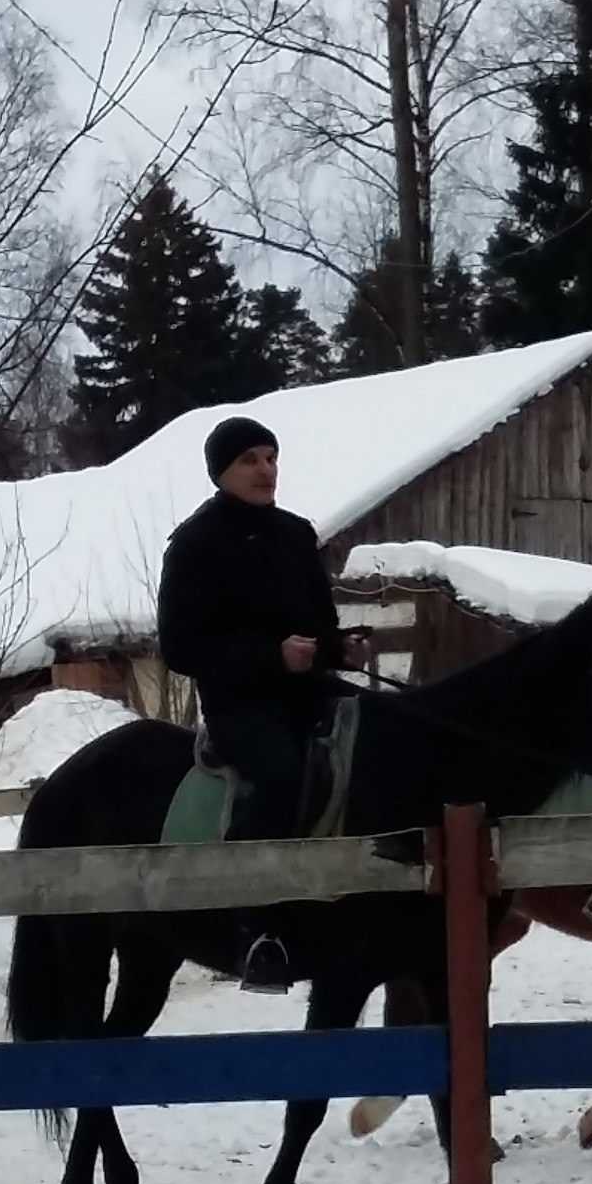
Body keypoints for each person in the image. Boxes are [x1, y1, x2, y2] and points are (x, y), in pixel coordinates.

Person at [157, 417, 352, 993]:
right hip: (241, 704)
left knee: (387, 736)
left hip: (310, 691)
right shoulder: (194, 544)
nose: (266, 470)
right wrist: (273, 657)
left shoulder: (295, 534)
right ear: (221, 471)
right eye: (250, 460)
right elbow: (181, 647)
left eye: (271, 457)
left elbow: (320, 623)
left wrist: (342, 645)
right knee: (280, 771)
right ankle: (255, 924)